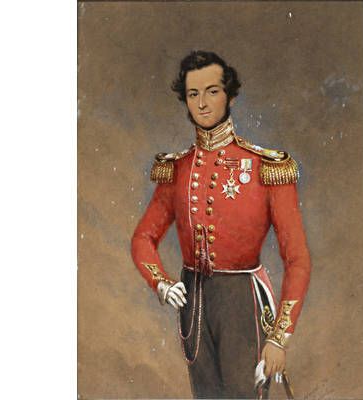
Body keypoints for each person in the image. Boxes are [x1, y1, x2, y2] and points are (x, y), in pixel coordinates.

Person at [131, 50, 312, 399]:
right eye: (193, 94)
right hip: (193, 301)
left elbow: (298, 259)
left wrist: (279, 337)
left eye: (212, 91)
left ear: (229, 95)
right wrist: (161, 283)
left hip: (242, 302)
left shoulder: (266, 167)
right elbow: (143, 238)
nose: (201, 103)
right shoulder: (177, 169)